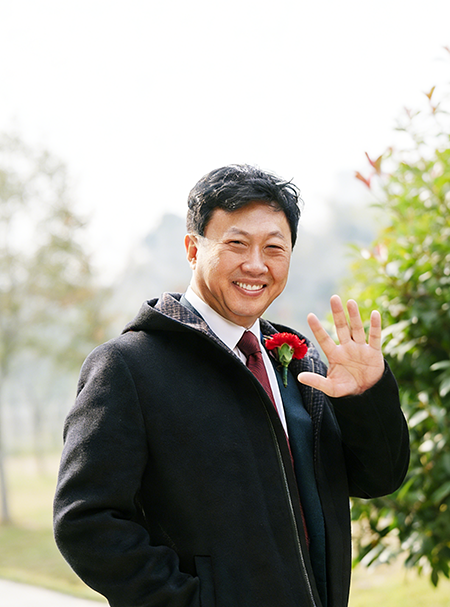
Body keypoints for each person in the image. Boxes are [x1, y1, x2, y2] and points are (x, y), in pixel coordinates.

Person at [53, 164, 410, 607]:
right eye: (237, 243)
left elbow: (380, 478)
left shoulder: (300, 365)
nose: (256, 265)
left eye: (274, 248)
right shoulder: (127, 366)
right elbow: (86, 520)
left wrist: (365, 395)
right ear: (192, 248)